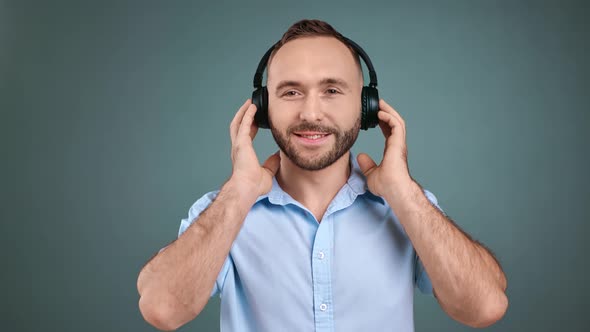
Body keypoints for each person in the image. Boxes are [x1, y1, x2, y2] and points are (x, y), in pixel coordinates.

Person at [136, 19, 508, 331]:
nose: (310, 113)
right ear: (262, 110)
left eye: (331, 90)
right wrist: (239, 191)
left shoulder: (407, 207)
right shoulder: (225, 210)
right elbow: (162, 309)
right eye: (291, 92)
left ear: (366, 107)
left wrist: (403, 192)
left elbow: (485, 307)